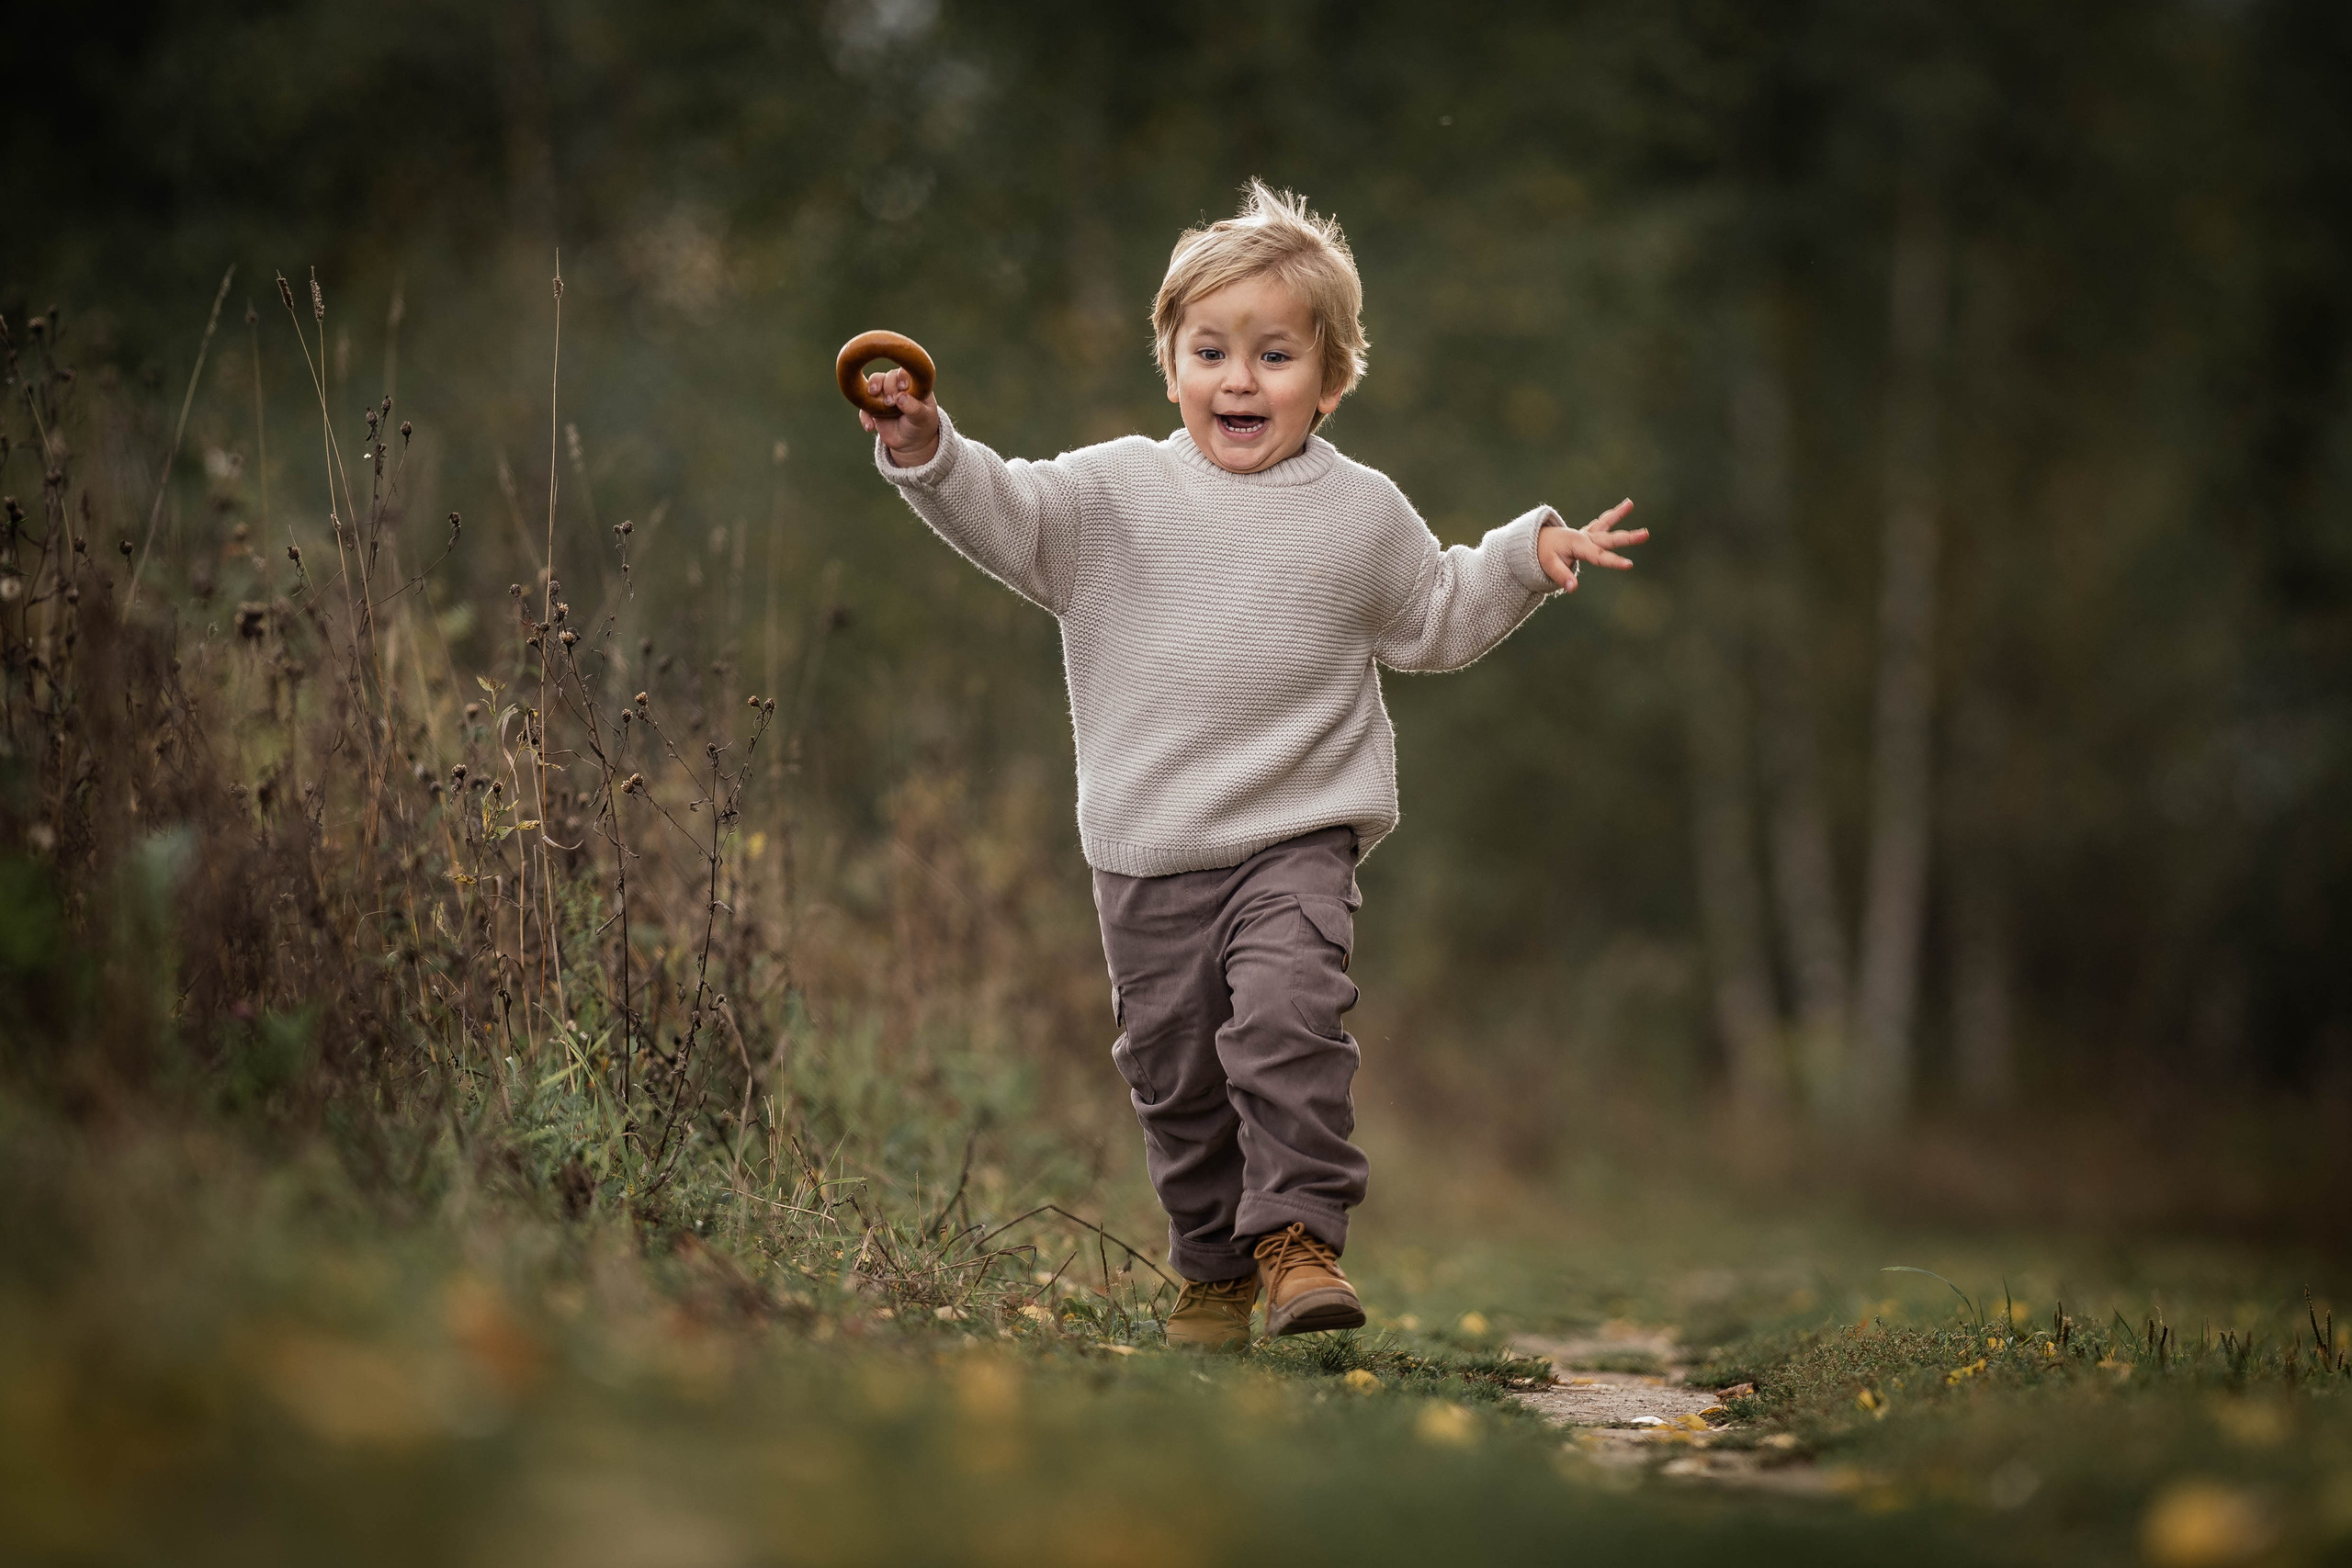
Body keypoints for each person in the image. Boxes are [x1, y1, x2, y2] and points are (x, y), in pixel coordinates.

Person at [854, 181, 1647, 1349]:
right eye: (1211, 351)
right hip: (1146, 850)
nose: (1240, 379)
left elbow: (1432, 613)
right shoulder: (1107, 495)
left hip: (1295, 838)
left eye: (1275, 355)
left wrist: (1525, 555)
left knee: (1288, 1023)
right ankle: (1213, 1270)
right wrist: (927, 447)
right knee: (1175, 1082)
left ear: (1328, 382)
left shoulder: (1358, 514)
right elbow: (1002, 510)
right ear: (1169, 365)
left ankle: (1297, 1244)